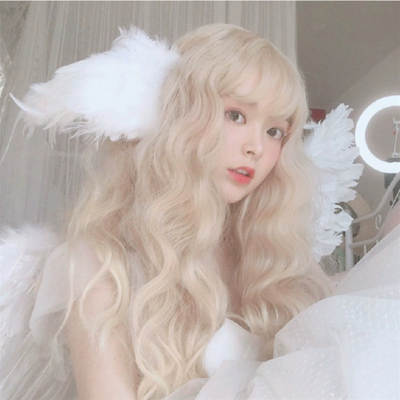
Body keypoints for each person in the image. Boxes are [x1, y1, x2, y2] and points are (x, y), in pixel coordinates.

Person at [0, 23, 376, 400]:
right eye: (236, 115)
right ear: (179, 115)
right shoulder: (102, 262)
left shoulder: (281, 265)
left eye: (275, 131)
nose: (256, 148)